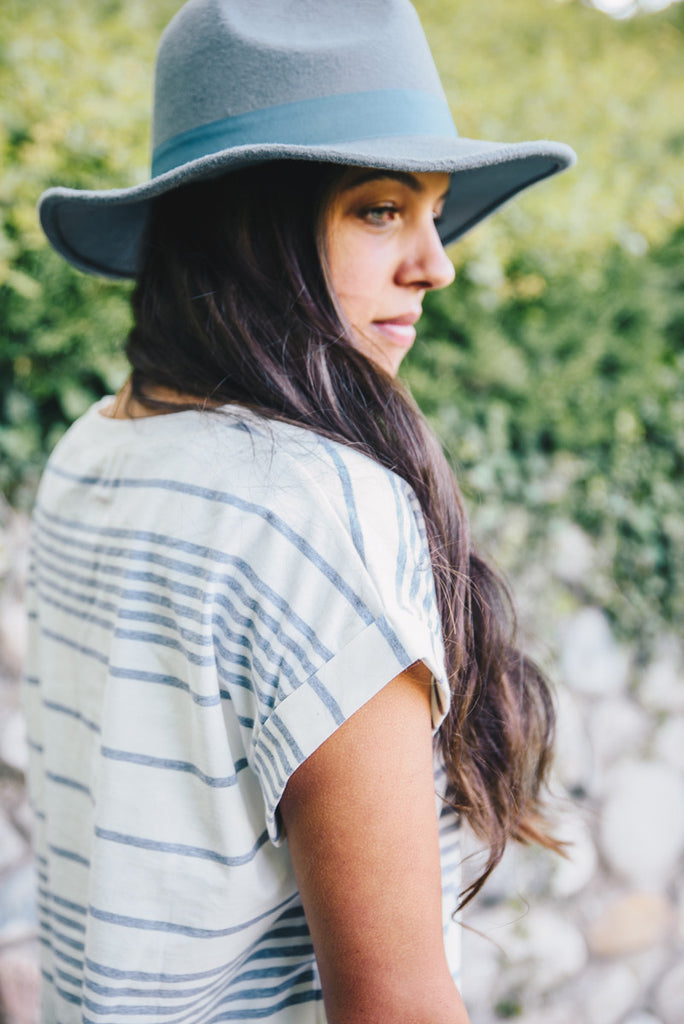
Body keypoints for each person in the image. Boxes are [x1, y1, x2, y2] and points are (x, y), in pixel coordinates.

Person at [26, 1, 576, 1022]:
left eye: (434, 210)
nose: (437, 262)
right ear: (251, 228)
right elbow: (395, 1002)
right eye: (379, 209)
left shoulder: (90, 451)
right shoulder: (315, 509)